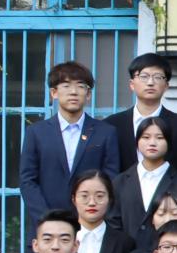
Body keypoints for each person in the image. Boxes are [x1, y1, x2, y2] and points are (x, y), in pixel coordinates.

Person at [18, 60, 120, 234]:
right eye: (66, 86)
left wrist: (93, 216)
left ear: (88, 94)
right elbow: (28, 181)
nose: (73, 92)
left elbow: (111, 179)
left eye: (80, 86)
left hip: (91, 227)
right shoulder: (36, 132)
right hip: (46, 227)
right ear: (54, 93)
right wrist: (47, 219)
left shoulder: (106, 132)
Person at [105, 51, 177, 173]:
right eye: (144, 76)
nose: (150, 82)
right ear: (132, 84)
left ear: (166, 86)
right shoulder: (112, 124)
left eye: (157, 77)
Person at [116, 116, 177, 241]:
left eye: (159, 138)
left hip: (166, 249)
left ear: (168, 142)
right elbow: (113, 221)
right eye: (146, 137)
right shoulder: (120, 181)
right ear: (137, 142)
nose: (152, 143)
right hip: (127, 251)